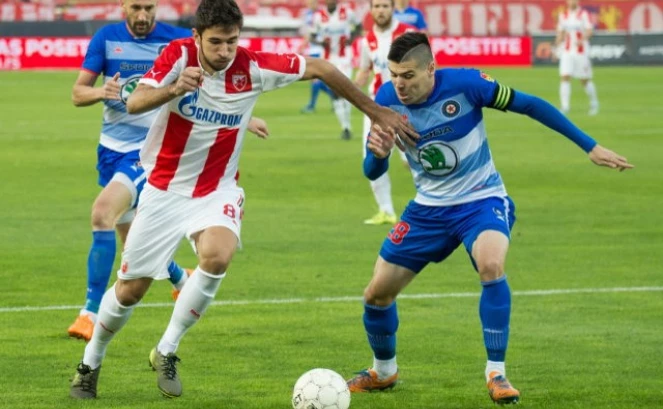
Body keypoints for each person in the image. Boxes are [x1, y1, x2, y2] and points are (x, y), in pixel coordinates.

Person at [68, 0, 417, 400]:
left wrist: (375, 112)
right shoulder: (177, 55)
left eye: (231, 41)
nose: (224, 51)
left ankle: (166, 349)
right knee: (131, 290)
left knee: (218, 256)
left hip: (218, 188)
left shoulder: (253, 67)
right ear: (196, 37)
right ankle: (90, 363)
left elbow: (321, 68)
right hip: (165, 189)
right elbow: (134, 101)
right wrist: (174, 88)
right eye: (215, 42)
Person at [345, 32, 632, 404]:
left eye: (408, 75)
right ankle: (384, 372)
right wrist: (379, 154)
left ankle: (496, 373)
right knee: (376, 294)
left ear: (431, 69)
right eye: (394, 74)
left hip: (481, 199)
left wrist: (589, 146)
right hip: (427, 209)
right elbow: (371, 171)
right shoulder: (385, 100)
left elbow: (530, 105)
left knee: (491, 264)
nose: (400, 84)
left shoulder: (467, 85)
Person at [66, 0, 194, 342]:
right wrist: (100, 91)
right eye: (136, 7)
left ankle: (90, 313)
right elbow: (77, 93)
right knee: (134, 242)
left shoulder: (177, 40)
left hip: (148, 151)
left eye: (149, 8)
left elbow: (213, 80)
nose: (142, 15)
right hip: (110, 150)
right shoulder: (107, 38)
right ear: (123, 5)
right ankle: (182, 279)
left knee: (102, 213)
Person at [354, 0, 415, 225]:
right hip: (376, 107)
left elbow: (426, 68)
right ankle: (386, 211)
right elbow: (364, 71)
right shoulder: (366, 40)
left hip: (406, 106)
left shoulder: (408, 35)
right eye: (377, 6)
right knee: (373, 153)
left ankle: (438, 200)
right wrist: (351, 87)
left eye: (385, 6)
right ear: (371, 10)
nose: (381, 11)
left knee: (413, 158)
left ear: (393, 8)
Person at [310, 0, 361, 140]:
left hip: (344, 58)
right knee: (335, 91)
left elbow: (359, 26)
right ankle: (345, 127)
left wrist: (352, 39)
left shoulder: (347, 12)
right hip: (328, 59)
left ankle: (347, 126)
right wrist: (320, 42)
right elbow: (312, 36)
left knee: (345, 90)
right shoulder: (319, 16)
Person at [554, 0, 599, 115]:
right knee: (565, 76)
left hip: (581, 52)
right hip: (567, 51)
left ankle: (594, 102)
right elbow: (561, 33)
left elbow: (590, 30)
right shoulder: (563, 15)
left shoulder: (584, 14)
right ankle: (565, 107)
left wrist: (582, 40)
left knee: (584, 80)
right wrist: (556, 48)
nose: (571, 2)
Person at [299, 0, 334, 114]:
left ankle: (312, 105)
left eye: (313, 2)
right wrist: (304, 45)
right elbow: (308, 33)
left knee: (315, 78)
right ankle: (336, 99)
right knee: (317, 80)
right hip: (313, 49)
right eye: (309, 2)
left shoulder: (321, 14)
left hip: (320, 49)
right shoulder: (308, 14)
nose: (311, 4)